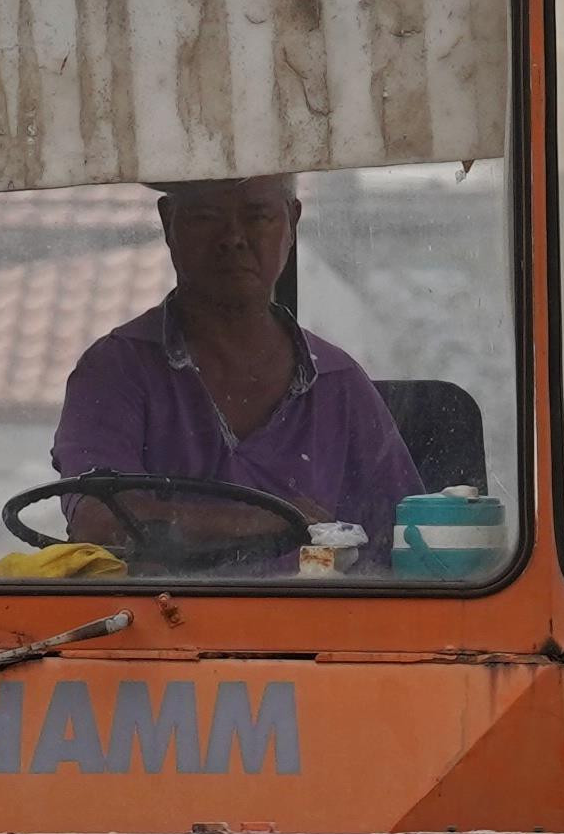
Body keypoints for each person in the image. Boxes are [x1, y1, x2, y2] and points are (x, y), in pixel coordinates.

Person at [50, 172, 420, 564]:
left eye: (257, 216)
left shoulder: (339, 384)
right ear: (167, 222)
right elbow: (99, 524)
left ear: (293, 221)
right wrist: (276, 518)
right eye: (207, 217)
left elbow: (409, 545)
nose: (233, 238)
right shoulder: (115, 372)